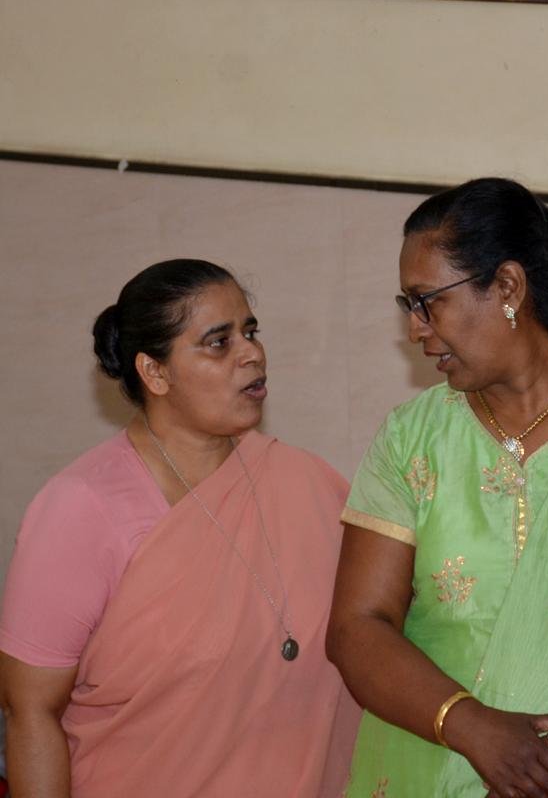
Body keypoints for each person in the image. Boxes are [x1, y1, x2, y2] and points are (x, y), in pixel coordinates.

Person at [326, 178, 548, 798]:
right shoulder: (413, 437)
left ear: (507, 287)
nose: (416, 329)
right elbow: (357, 627)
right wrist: (472, 727)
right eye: (408, 306)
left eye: (428, 302)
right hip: (424, 763)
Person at [0, 259, 360, 797]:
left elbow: (375, 631)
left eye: (251, 331)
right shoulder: (80, 508)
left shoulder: (306, 482)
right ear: (155, 373)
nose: (252, 353)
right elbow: (30, 712)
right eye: (219, 342)